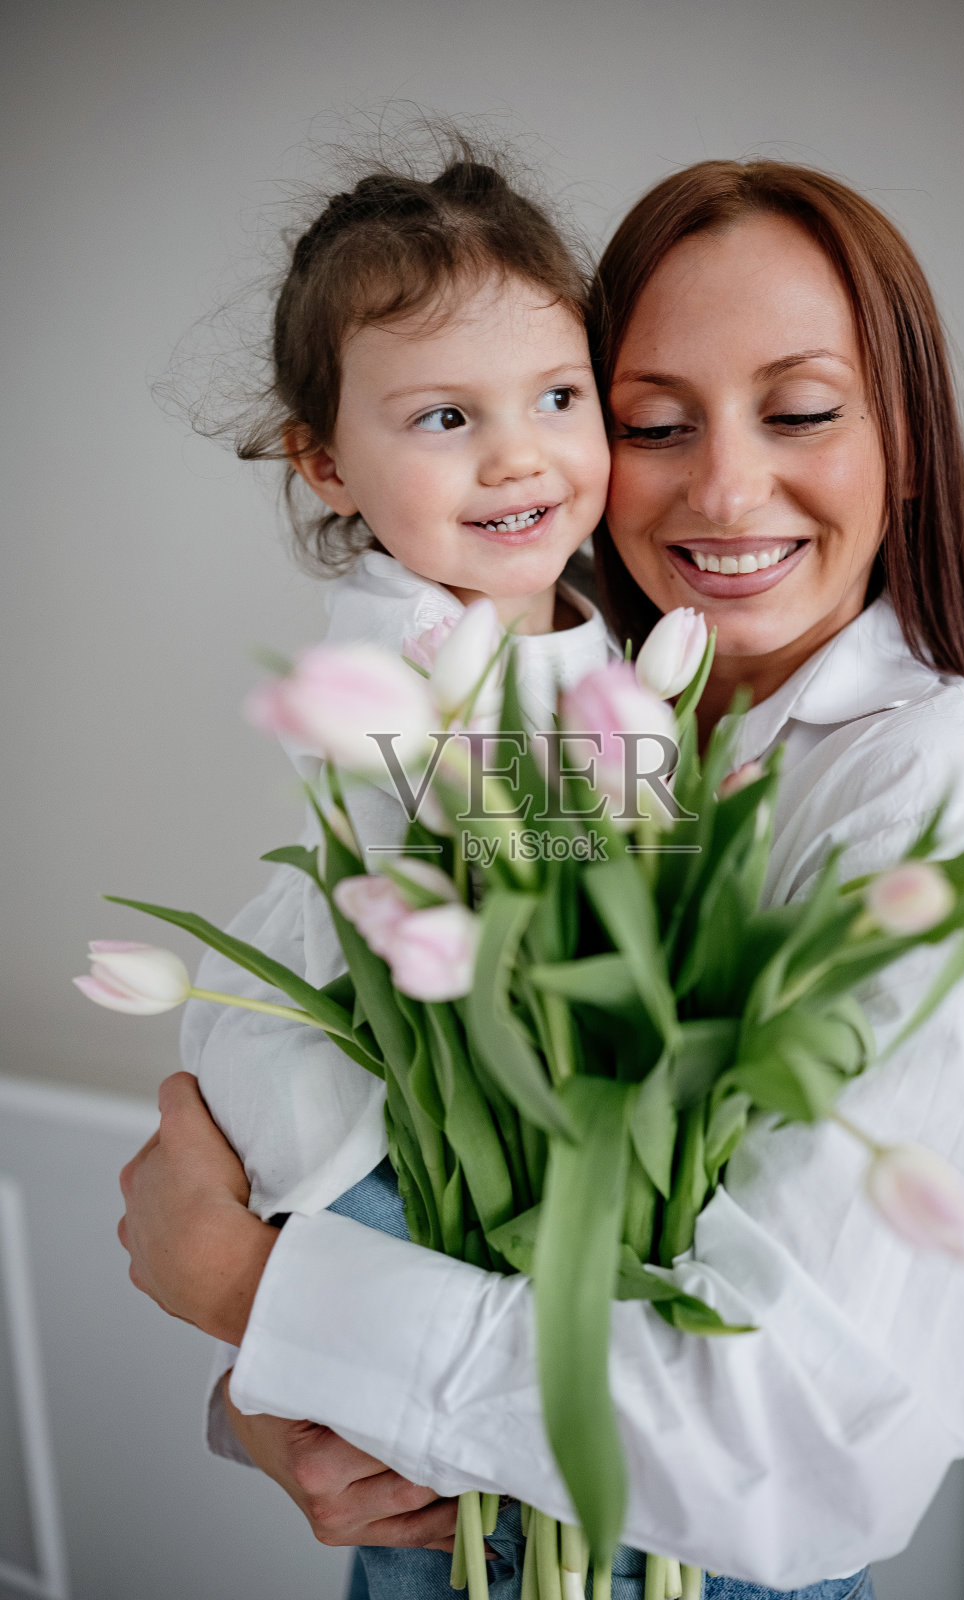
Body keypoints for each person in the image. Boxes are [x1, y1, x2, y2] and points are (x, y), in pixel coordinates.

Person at [118, 159, 964, 1600]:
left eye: (801, 410)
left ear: (907, 442)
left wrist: (258, 1295)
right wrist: (277, 1404)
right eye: (650, 423)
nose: (725, 485)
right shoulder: (582, 696)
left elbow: (796, 1455)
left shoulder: (924, 817)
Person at [181, 148, 612, 1224]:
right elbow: (496, 856)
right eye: (446, 418)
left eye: (557, 396)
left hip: (513, 1065)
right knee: (366, 1338)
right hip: (362, 1089)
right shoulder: (388, 648)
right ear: (325, 465)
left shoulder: (606, 620)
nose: (518, 456)